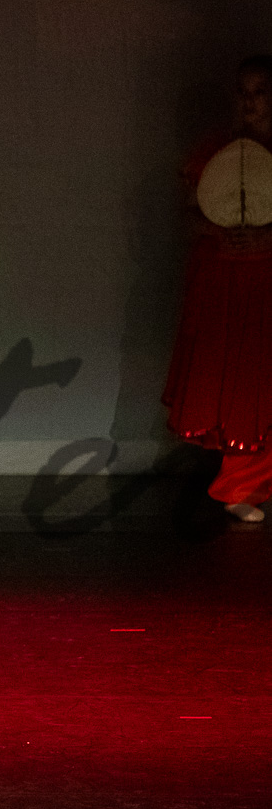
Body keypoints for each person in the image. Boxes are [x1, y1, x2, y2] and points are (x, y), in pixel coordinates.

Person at [163, 55, 272, 523]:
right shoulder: (214, 151)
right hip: (227, 281)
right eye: (243, 92)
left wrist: (268, 238)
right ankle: (239, 487)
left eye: (260, 92)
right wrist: (217, 231)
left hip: (266, 279)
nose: (250, 102)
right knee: (242, 383)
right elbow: (192, 214)